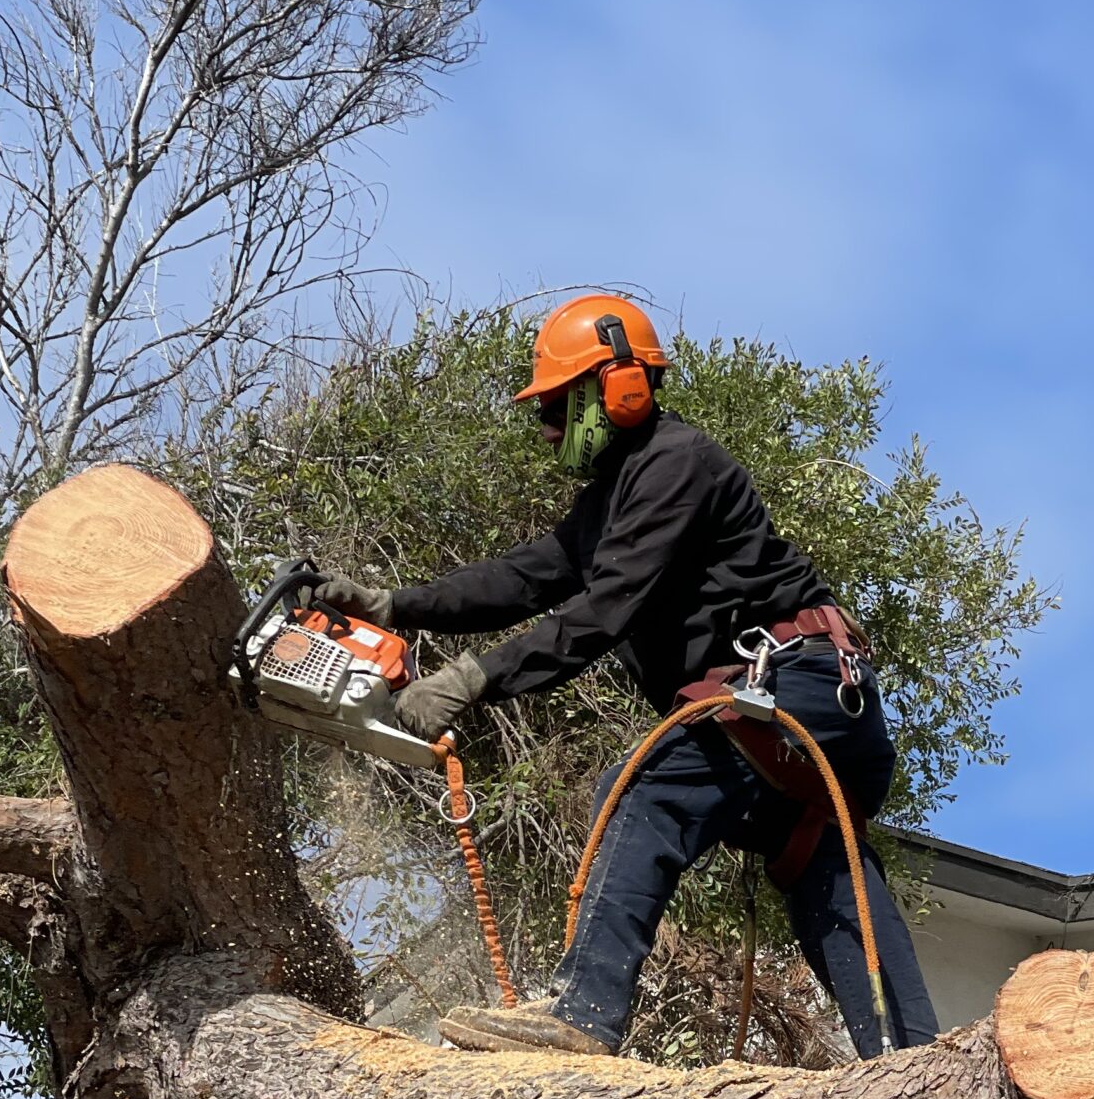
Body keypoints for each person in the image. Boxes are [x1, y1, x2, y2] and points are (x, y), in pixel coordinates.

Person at [316, 293, 938, 1060]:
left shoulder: (677, 463)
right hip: (818, 708)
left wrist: (468, 680)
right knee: (823, 864)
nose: (546, 427)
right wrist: (393, 605)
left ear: (621, 387)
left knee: (641, 784)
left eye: (555, 405)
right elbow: (520, 579)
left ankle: (585, 1012)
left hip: (794, 685)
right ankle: (915, 1064)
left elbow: (604, 611)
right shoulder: (611, 500)